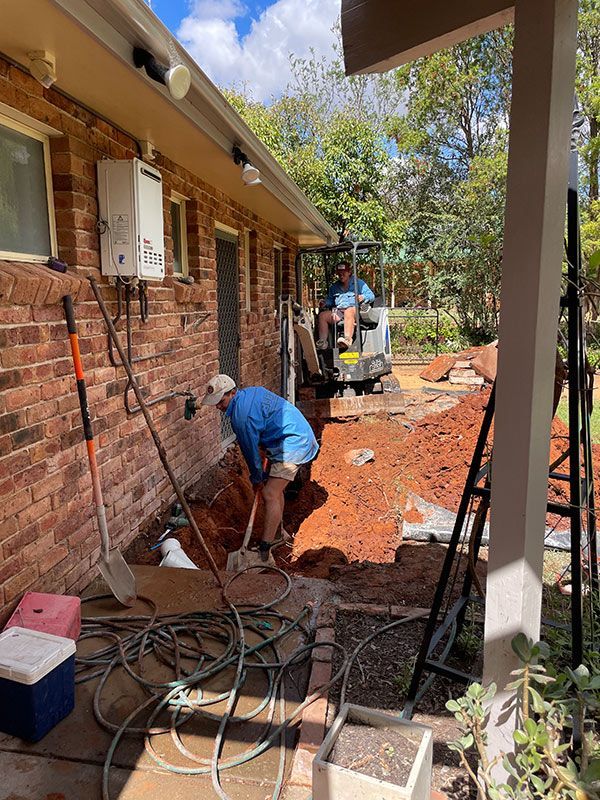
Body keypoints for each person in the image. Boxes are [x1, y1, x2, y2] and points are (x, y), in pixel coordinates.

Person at [201, 375, 319, 561]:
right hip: (293, 434)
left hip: (293, 442)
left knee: (270, 493)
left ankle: (265, 549)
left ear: (232, 393)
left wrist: (257, 479)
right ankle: (279, 535)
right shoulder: (250, 393)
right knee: (276, 491)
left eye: (221, 401)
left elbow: (251, 453)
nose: (218, 407)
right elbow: (264, 419)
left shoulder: (241, 417)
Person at [316, 261, 375, 351]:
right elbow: (331, 300)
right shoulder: (334, 287)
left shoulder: (359, 283)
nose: (341, 276)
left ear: (349, 273)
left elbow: (371, 296)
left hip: (355, 311)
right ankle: (323, 342)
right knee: (322, 316)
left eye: (343, 273)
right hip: (339, 312)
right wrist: (325, 303)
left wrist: (362, 297)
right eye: (339, 274)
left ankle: (347, 339)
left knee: (349, 311)